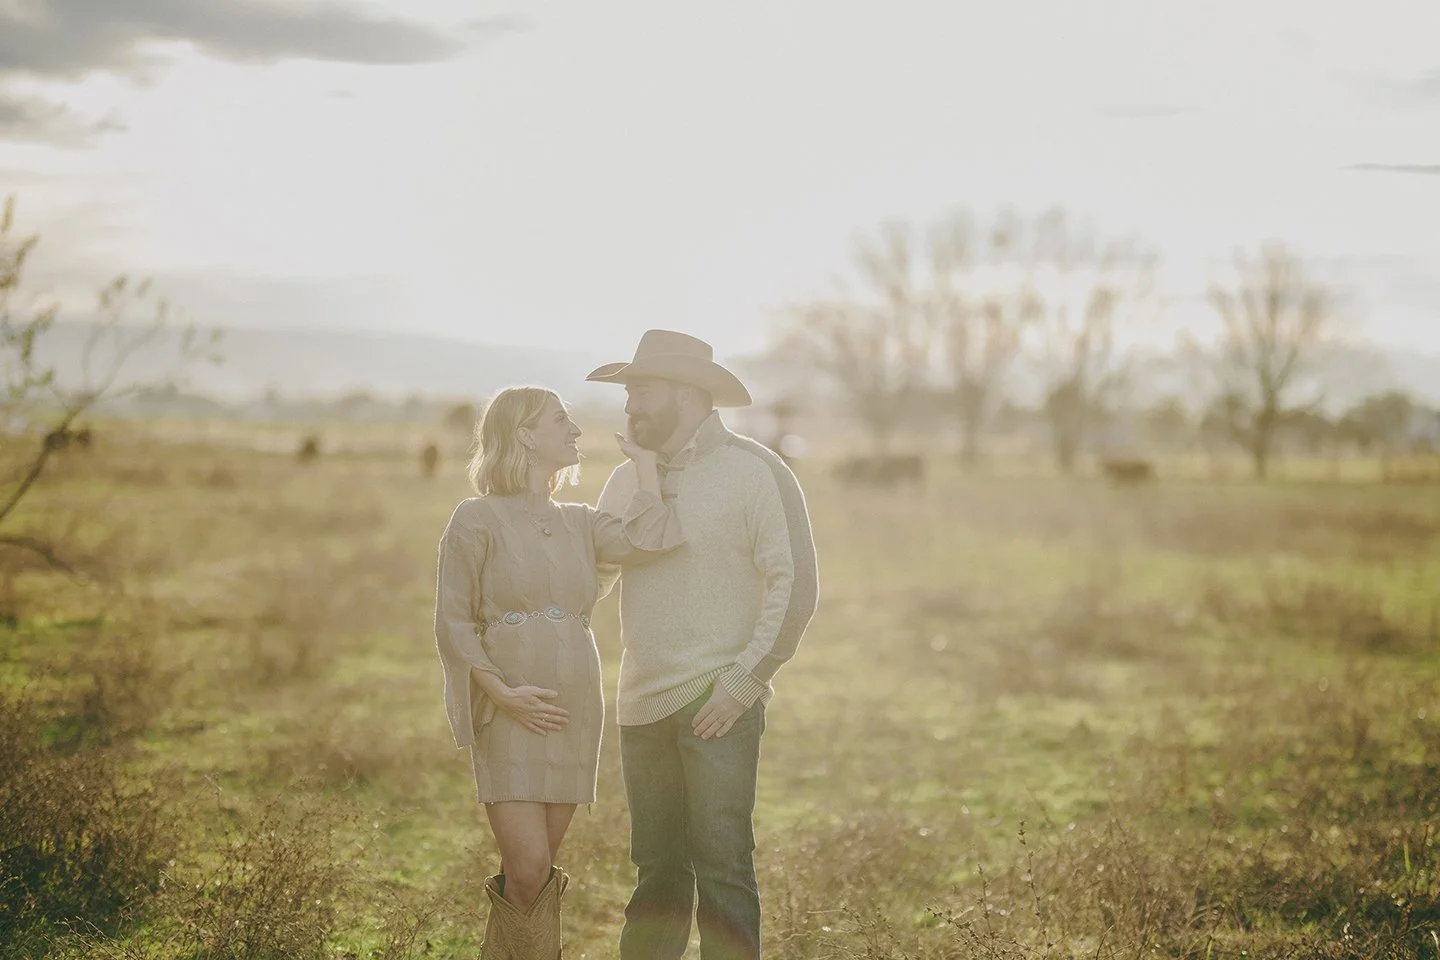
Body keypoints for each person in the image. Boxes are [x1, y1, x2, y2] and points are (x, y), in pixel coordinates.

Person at [588, 330, 820, 960]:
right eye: (629, 388)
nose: (630, 402)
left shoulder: (757, 471)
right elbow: (595, 575)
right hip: (640, 703)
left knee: (722, 868)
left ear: (688, 394)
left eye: (641, 388)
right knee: (656, 873)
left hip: (719, 698)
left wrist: (746, 679)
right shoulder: (623, 479)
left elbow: (794, 585)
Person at [432, 385, 683, 959]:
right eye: (560, 420)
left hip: (573, 710)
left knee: (536, 878)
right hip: (509, 709)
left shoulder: (581, 521)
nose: (575, 431)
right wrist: (502, 692)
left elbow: (653, 537)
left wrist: (645, 467)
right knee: (528, 870)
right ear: (524, 434)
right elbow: (453, 622)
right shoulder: (475, 520)